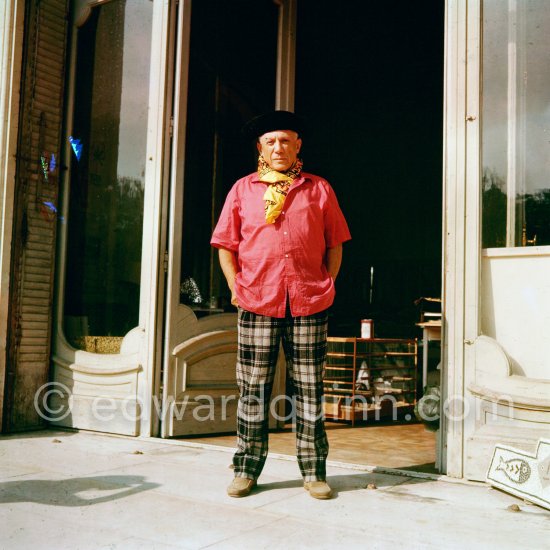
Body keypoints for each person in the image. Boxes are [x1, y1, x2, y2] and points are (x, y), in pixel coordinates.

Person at [211, 110, 351, 499]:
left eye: (286, 141)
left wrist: (327, 283)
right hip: (257, 299)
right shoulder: (243, 189)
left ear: (298, 145)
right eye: (271, 141)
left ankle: (313, 473)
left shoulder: (318, 188)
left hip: (309, 300)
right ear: (260, 147)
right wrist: (234, 288)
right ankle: (246, 469)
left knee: (309, 387)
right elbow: (225, 246)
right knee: (252, 388)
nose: (278, 148)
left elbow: (335, 243)